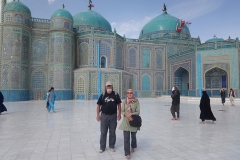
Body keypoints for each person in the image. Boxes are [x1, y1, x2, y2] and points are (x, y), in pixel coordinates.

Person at [96, 81, 122, 153]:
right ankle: (102, 147)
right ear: (106, 87)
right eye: (108, 86)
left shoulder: (115, 94)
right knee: (103, 132)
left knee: (112, 132)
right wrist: (98, 115)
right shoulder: (103, 95)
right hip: (104, 116)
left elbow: (119, 104)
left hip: (113, 116)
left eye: (110, 86)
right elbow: (98, 105)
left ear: (112, 86)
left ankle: (111, 146)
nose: (109, 88)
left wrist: (119, 114)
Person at [119, 89, 140, 159]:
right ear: (126, 94)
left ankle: (133, 146)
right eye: (128, 93)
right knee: (126, 138)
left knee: (133, 136)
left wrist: (131, 114)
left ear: (133, 94)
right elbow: (122, 111)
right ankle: (127, 153)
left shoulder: (136, 101)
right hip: (126, 122)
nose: (130, 94)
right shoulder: (124, 102)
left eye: (131, 93)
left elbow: (138, 112)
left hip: (134, 121)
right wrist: (126, 115)